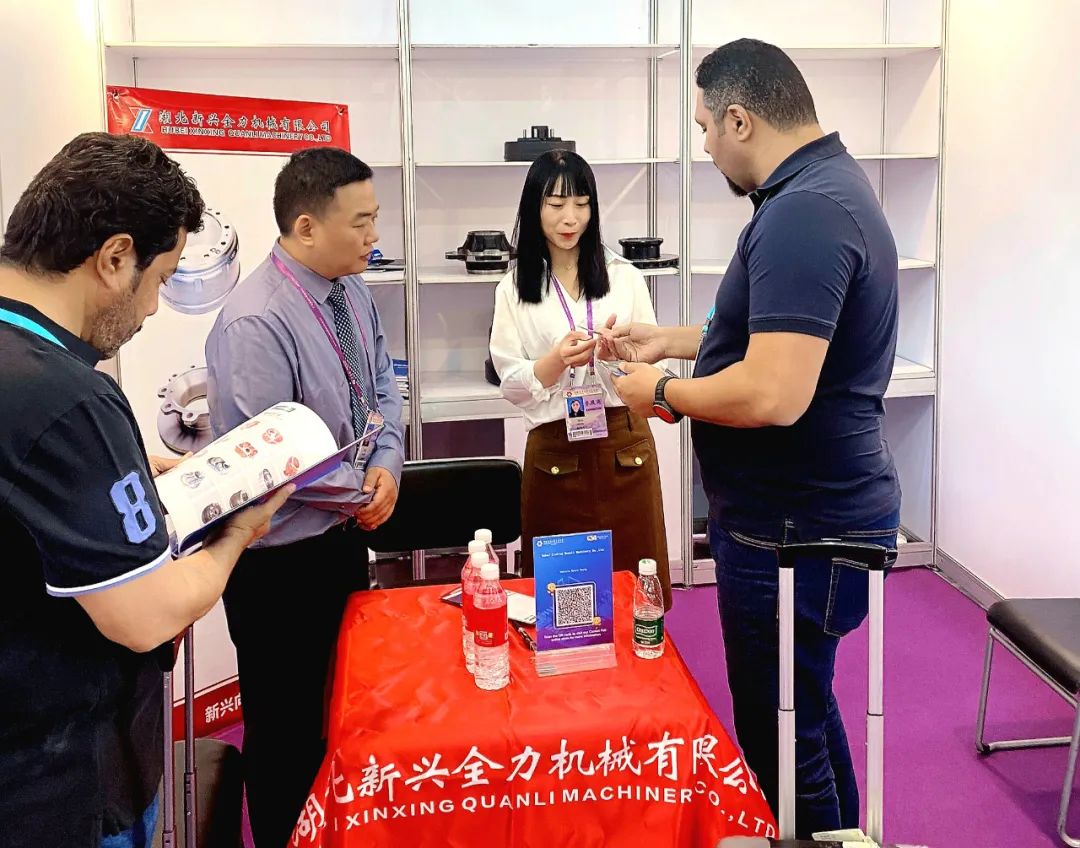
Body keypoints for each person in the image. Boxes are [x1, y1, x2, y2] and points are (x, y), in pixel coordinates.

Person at [603, 39, 901, 836]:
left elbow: (772, 392)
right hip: (803, 517)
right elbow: (774, 338)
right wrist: (673, 341)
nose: (705, 146)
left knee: (783, 735)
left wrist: (660, 392)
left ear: (740, 119)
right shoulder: (822, 190)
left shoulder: (804, 213)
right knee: (804, 711)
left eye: (706, 127)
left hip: (793, 529)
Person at [0, 132, 289, 848]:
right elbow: (147, 615)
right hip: (54, 784)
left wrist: (118, 472)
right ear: (115, 257)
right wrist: (239, 532)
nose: (154, 309)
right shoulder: (65, 396)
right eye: (158, 280)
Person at [205, 146, 405, 846]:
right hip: (277, 565)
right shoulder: (256, 321)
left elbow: (383, 389)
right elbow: (275, 458)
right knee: (286, 731)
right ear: (307, 226)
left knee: (341, 713)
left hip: (342, 543)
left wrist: (388, 466)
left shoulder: (353, 292)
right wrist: (359, 494)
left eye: (375, 217)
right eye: (361, 221)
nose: (374, 235)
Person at [490, 150, 671, 608]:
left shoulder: (625, 278)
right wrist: (553, 363)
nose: (570, 218)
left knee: (636, 592)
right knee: (561, 600)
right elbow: (510, 381)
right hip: (554, 449)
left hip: (625, 444)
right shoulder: (514, 288)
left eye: (582, 204)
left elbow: (653, 367)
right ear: (534, 208)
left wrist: (620, 357)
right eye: (556, 204)